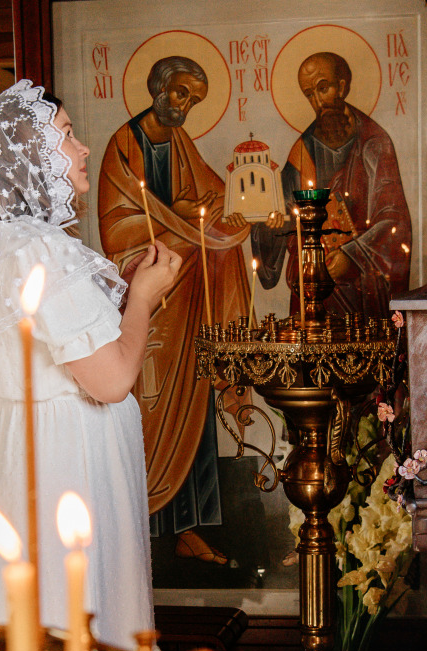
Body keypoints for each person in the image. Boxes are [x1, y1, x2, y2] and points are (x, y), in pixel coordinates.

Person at [0, 80, 180, 650]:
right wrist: (143, 299)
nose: (83, 148)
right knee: (85, 613)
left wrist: (128, 292)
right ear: (30, 155)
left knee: (42, 617)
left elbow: (61, 344)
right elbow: (110, 379)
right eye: (65, 136)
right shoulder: (39, 248)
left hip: (24, 443)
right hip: (70, 456)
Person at [97, 56, 251, 564]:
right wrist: (180, 223)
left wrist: (235, 214)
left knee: (196, 402)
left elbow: (207, 195)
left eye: (193, 100)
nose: (184, 106)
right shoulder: (125, 144)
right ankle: (143, 529)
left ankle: (191, 529)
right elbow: (119, 227)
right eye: (181, 94)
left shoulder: (180, 142)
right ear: (159, 88)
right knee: (154, 408)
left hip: (189, 296)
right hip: (151, 300)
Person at [253, 51, 412, 317]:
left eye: (322, 88)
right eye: (309, 94)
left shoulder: (374, 142)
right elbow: (284, 214)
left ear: (342, 85)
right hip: (313, 288)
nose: (317, 101)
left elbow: (394, 220)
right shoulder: (302, 150)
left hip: (361, 289)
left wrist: (351, 256)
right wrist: (272, 225)